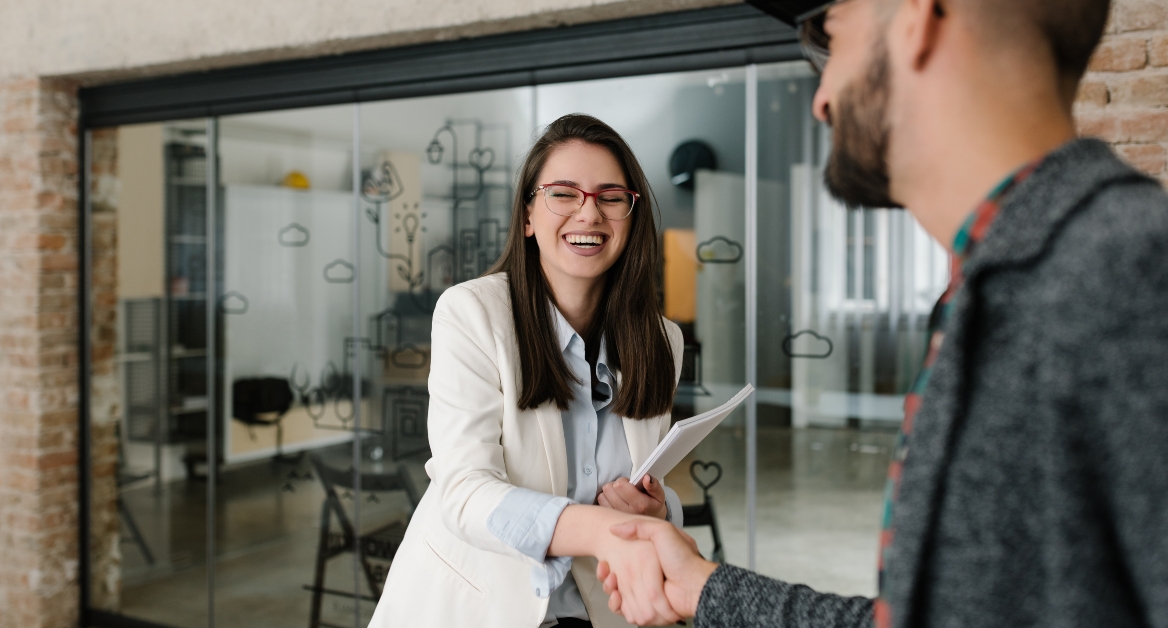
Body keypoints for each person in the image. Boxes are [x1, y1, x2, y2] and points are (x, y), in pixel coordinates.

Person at [596, 0, 1168, 626]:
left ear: (920, 19)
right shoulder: (998, 291)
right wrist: (705, 590)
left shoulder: (1131, 274)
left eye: (829, 37)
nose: (821, 98)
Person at [370, 114, 690, 628]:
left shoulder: (661, 340)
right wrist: (602, 530)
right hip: (476, 611)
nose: (589, 214)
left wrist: (660, 512)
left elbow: (645, 481)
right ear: (527, 216)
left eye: (611, 197)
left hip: (601, 613)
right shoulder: (470, 313)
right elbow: (465, 492)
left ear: (632, 217)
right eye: (563, 194)